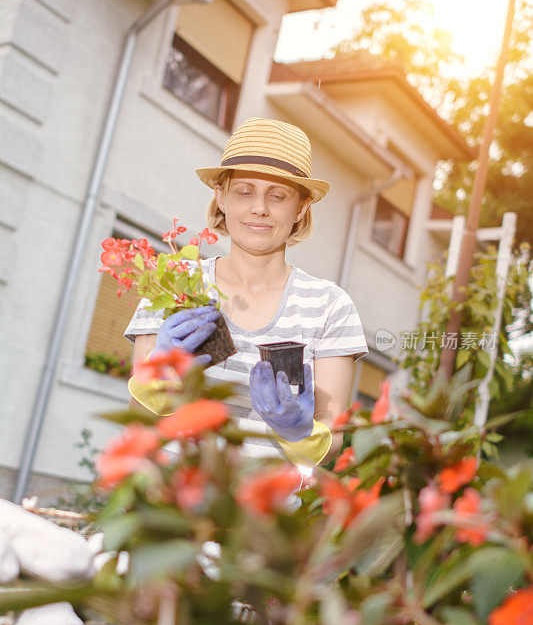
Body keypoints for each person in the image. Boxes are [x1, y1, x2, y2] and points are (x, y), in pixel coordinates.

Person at [124, 117, 368, 466]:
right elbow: (138, 416)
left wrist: (297, 430)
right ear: (220, 196)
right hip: (168, 506)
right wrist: (158, 374)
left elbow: (331, 442)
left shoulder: (330, 307)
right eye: (244, 191)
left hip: (265, 515)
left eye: (278, 195)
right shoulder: (177, 286)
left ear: (301, 207)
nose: (259, 208)